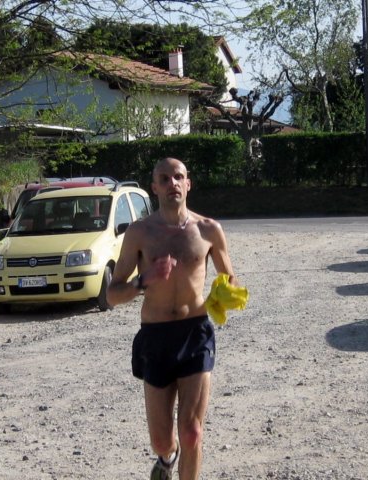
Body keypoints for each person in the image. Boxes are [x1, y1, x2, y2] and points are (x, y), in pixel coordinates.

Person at [107, 157, 241, 480]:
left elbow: (229, 279)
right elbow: (112, 294)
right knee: (161, 440)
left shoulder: (208, 230)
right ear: (154, 187)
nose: (173, 184)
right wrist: (144, 280)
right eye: (164, 179)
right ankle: (166, 459)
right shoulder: (140, 233)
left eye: (178, 177)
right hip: (155, 337)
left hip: (195, 333)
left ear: (188, 184)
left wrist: (226, 295)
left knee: (192, 432)